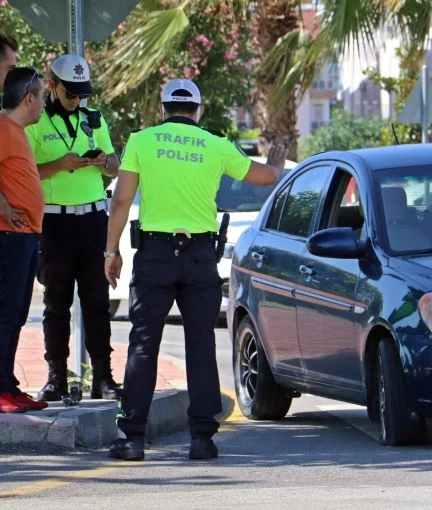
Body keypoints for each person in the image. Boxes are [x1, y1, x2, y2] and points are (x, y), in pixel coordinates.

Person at [104, 78, 286, 461]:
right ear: (198, 110)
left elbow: (121, 200)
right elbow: (265, 177)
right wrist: (276, 160)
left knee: (143, 343)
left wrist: (111, 252)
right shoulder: (216, 145)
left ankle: (133, 438)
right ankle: (202, 439)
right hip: (201, 256)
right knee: (201, 344)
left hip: (154, 254)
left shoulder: (141, 141)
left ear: (163, 108)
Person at [24, 54, 121, 402]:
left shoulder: (94, 119)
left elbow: (114, 166)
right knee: (56, 303)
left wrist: (104, 161)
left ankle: (104, 377)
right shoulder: (35, 122)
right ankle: (56, 377)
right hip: (55, 222)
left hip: (93, 220)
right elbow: (27, 172)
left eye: (82, 92)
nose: (77, 98)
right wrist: (59, 165)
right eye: (70, 92)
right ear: (52, 85)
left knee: (97, 302)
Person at [0, 68, 48, 413]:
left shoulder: (17, 131)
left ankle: (8, 385)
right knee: (5, 313)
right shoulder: (2, 128)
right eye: (43, 96)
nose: (44, 104)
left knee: (16, 314)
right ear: (28, 98)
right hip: (9, 237)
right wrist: (3, 206)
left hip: (27, 235)